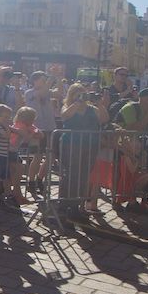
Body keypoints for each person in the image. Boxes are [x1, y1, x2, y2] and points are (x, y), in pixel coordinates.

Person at [58, 83, 107, 225]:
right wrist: (77, 103)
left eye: (82, 92)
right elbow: (64, 116)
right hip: (71, 145)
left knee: (83, 176)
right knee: (71, 175)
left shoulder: (92, 109)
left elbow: (104, 119)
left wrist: (100, 104)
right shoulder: (67, 106)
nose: (80, 95)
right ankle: (64, 206)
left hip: (90, 145)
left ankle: (76, 207)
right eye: (77, 93)